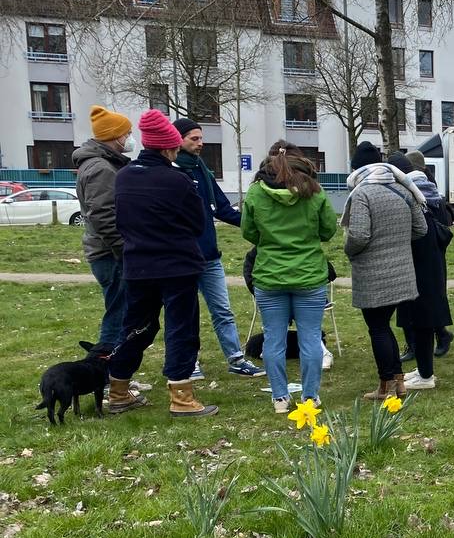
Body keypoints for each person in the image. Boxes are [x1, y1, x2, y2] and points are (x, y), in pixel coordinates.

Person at [107, 110, 217, 417]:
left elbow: (120, 221)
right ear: (169, 147)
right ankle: (181, 396)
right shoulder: (177, 180)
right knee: (181, 328)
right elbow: (197, 225)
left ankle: (118, 389)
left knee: (136, 326)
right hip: (177, 265)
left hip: (138, 265)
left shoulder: (124, 176)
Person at [242, 144, 338, 413]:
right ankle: (310, 396)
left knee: (274, 340)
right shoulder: (315, 194)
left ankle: (280, 398)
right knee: (310, 339)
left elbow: (248, 232)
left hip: (270, 276)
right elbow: (328, 230)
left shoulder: (255, 194)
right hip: (309, 276)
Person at [172, 118, 265, 380]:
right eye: (194, 139)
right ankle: (189, 362)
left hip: (210, 256)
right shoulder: (171, 171)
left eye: (201, 138)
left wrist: (258, 228)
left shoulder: (202, 169)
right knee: (186, 314)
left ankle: (236, 358)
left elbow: (222, 208)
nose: (200, 144)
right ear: (178, 139)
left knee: (222, 310)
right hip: (182, 258)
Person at [343, 143, 427, 400]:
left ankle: (386, 384)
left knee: (378, 328)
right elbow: (421, 229)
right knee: (385, 327)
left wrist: (348, 250)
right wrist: (398, 244)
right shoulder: (403, 189)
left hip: (373, 274)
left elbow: (358, 235)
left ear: (358, 168)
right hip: (401, 273)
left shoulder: (362, 194)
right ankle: (398, 382)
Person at [387, 152, 452, 390]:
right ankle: (425, 370)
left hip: (420, 265)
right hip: (428, 264)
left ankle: (426, 376)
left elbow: (415, 231)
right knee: (420, 320)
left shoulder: (413, 197)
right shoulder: (425, 192)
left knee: (421, 320)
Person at [73, 106, 134, 350]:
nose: (130, 137)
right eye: (127, 133)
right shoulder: (101, 168)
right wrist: (122, 249)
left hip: (106, 250)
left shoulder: (101, 164)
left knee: (119, 310)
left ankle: (114, 371)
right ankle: (109, 369)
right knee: (118, 314)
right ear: (114, 136)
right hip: (108, 253)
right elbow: (102, 214)